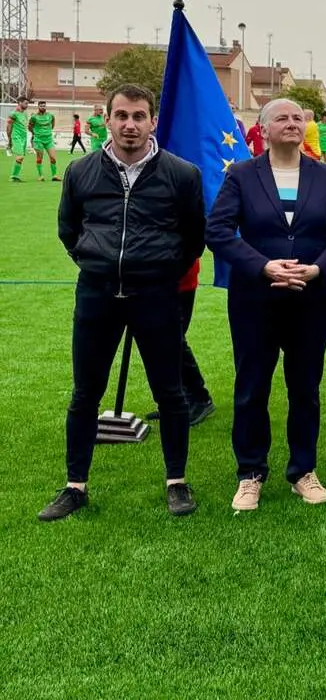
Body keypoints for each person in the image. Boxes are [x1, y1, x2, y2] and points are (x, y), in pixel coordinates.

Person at [41, 83, 206, 521]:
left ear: (153, 121)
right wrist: (96, 263)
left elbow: (193, 238)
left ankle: (176, 481)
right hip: (96, 296)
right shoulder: (81, 171)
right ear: (107, 119)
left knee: (170, 393)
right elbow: (69, 230)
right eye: (121, 116)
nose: (129, 125)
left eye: (138, 116)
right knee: (85, 393)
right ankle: (75, 486)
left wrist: (159, 269)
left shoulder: (182, 174)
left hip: (156, 296)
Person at [206, 98, 326, 512]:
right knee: (251, 388)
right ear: (263, 129)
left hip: (311, 299)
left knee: (305, 388)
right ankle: (250, 473)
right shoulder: (241, 175)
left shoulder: (325, 175)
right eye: (282, 118)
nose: (292, 123)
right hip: (256, 299)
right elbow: (218, 231)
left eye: (298, 118)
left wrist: (318, 269)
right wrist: (264, 266)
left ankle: (303, 471)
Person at [143, 257, 216, 426]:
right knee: (161, 343)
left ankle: (199, 398)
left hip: (178, 279)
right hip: (155, 279)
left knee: (173, 341)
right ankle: (179, 400)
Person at [28, 100, 60, 181]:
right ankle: (41, 175)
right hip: (38, 140)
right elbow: (29, 127)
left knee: (53, 158)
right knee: (39, 158)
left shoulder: (50, 116)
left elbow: (53, 123)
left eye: (44, 106)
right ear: (38, 107)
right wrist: (35, 133)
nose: (43, 107)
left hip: (49, 140)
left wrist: (48, 131)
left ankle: (54, 176)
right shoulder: (34, 117)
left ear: (46, 107)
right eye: (41, 106)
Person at [7, 96, 29, 181]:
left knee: (21, 157)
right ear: (20, 103)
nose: (27, 105)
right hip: (16, 137)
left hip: (24, 137)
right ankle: (13, 176)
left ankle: (15, 176)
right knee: (20, 156)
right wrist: (9, 139)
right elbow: (8, 126)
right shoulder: (13, 114)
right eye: (25, 103)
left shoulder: (25, 113)